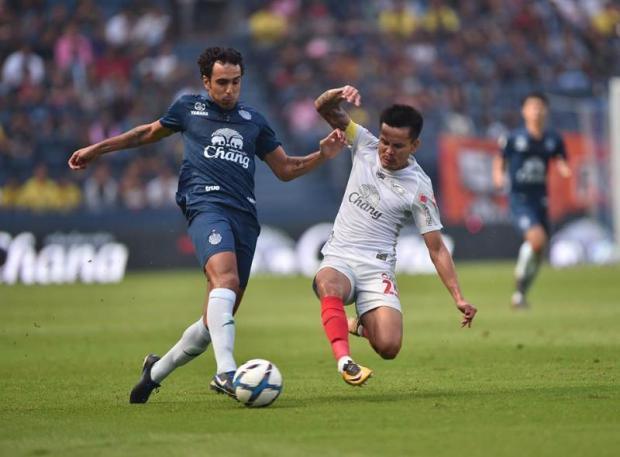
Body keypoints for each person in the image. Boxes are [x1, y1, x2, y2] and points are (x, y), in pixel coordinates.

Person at [68, 47, 347, 403]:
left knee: (214, 320)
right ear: (206, 82)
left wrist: (322, 155)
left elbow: (286, 169)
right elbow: (144, 134)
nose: (229, 89)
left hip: (244, 216)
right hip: (205, 204)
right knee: (225, 280)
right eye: (221, 83)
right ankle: (227, 372)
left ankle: (154, 372)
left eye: (235, 82)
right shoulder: (188, 108)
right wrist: (96, 149)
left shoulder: (254, 120)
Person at [312, 85, 477, 386]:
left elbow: (437, 248)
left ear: (414, 145)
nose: (387, 150)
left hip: (377, 267)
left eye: (397, 146)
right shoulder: (362, 142)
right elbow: (323, 108)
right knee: (328, 284)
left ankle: (359, 323)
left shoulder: (418, 187)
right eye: (384, 141)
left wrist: (458, 297)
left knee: (388, 347)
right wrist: (337, 94)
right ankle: (345, 361)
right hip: (341, 256)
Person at [492, 92, 571, 309]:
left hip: (541, 201)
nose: (536, 111)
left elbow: (561, 157)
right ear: (524, 111)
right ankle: (518, 287)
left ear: (546, 111)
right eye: (532, 107)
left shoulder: (553, 139)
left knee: (539, 249)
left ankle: (521, 294)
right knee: (536, 239)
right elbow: (500, 158)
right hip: (520, 199)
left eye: (540, 107)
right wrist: (499, 177)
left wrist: (564, 167)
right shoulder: (513, 138)